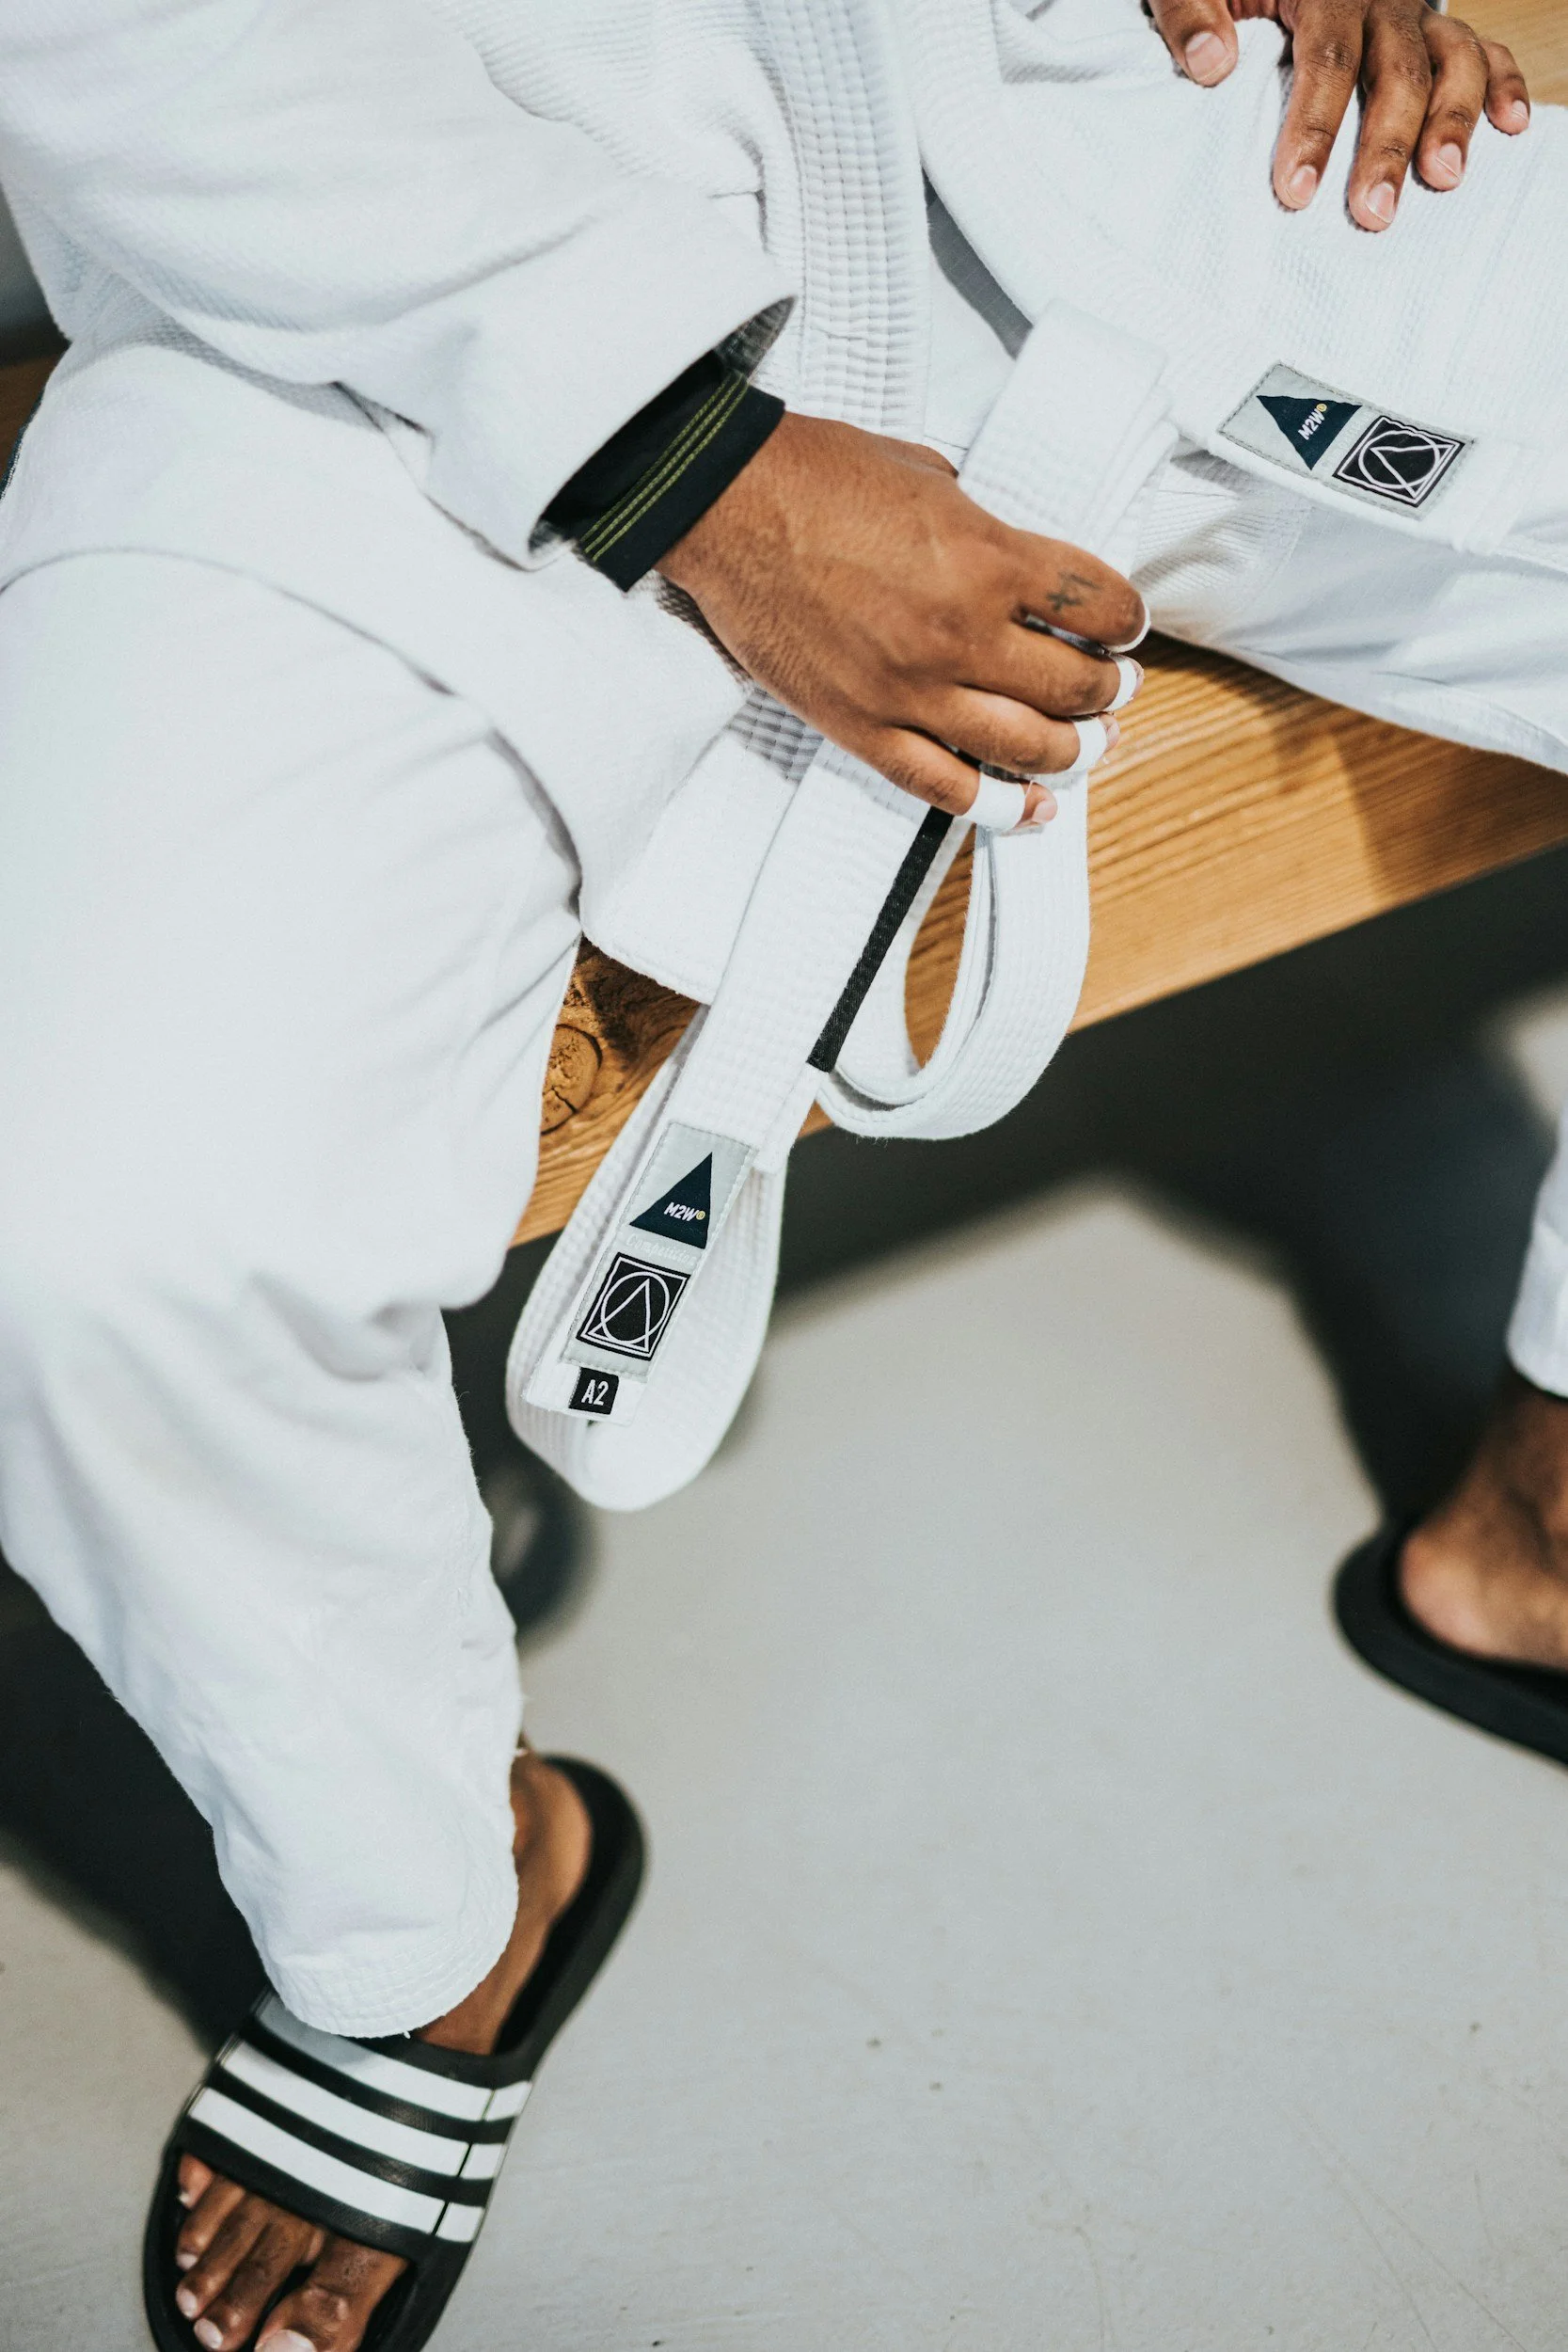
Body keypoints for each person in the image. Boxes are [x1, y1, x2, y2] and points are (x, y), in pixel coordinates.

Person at [0, 0, 1564, 2345]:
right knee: (96, 1228)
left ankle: (1541, 1533)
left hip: (1094, 121)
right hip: (401, 260)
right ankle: (428, 1910)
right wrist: (691, 467)